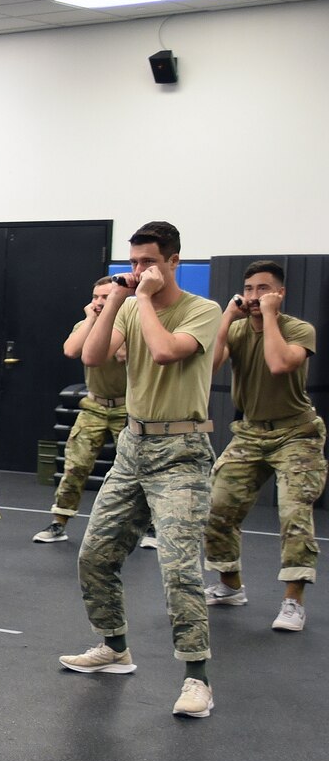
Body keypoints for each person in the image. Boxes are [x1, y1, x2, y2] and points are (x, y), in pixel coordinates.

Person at [60, 222, 224, 718]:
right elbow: (90, 356)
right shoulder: (130, 303)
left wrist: (145, 300)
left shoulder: (203, 310)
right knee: (95, 555)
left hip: (182, 451)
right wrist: (115, 300)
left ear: (173, 261)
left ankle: (197, 678)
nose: (139, 272)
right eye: (132, 263)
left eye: (148, 262)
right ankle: (115, 647)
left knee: (177, 568)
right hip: (134, 447)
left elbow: (164, 351)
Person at [204, 260, 322, 633]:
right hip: (251, 433)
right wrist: (226, 317)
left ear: (280, 293)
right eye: (250, 288)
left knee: (293, 513)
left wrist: (269, 317)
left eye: (264, 289)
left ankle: (293, 601)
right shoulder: (237, 330)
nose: (255, 296)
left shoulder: (299, 329)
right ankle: (230, 586)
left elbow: (278, 363)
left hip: (296, 433)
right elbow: (206, 370)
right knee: (218, 507)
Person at [34, 278, 129, 544]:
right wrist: (90, 319)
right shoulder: (85, 325)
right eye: (96, 296)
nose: (99, 302)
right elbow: (71, 349)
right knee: (76, 466)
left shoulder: (132, 325)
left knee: (134, 469)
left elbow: (123, 355)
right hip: (94, 407)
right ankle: (59, 522)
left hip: (128, 408)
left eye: (106, 297)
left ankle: (148, 527)